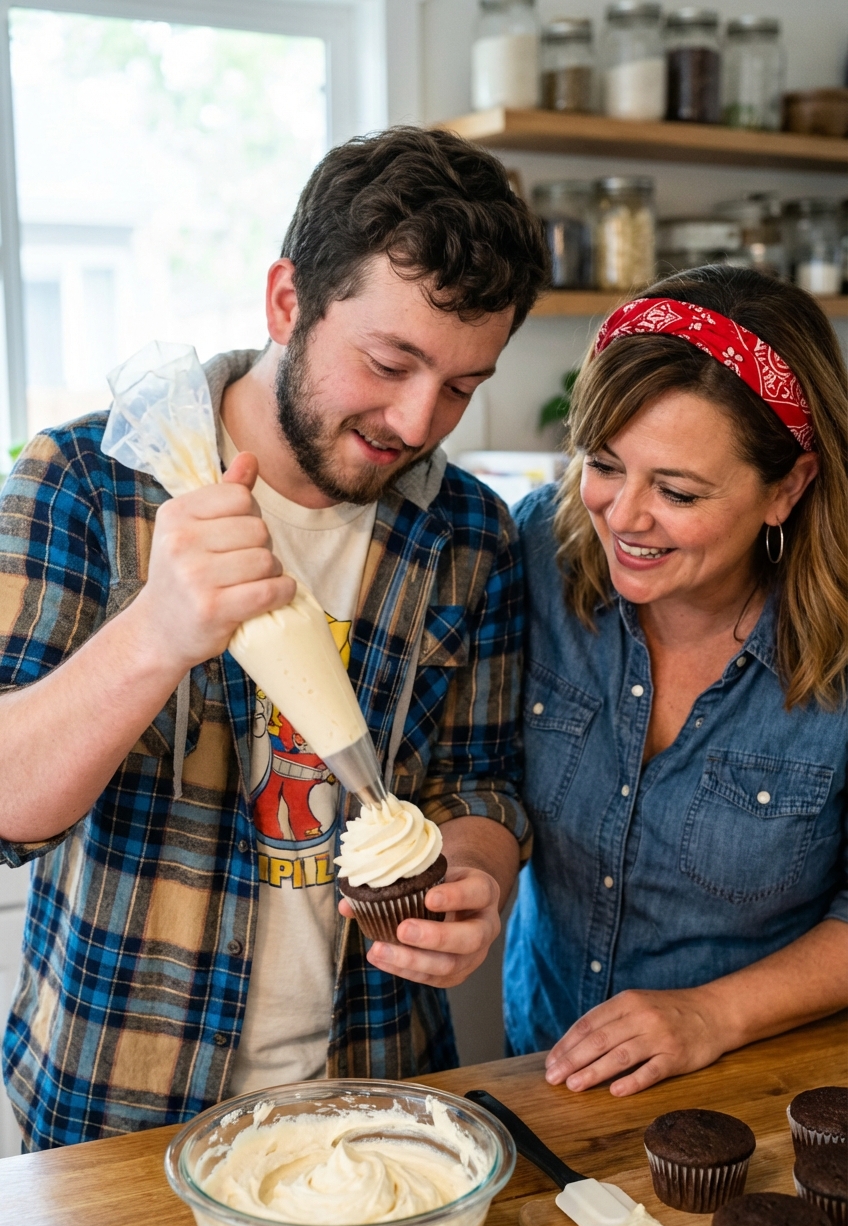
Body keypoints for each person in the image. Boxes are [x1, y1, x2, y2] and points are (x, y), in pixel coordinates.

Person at [0, 126, 548, 1149]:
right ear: (287, 301)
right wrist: (156, 631)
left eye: (463, 386)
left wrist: (477, 870)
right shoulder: (85, 480)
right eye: (390, 361)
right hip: (116, 1113)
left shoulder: (466, 532)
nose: (419, 420)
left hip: (379, 1100)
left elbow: (479, 784)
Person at [504, 266, 847, 1097]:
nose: (622, 515)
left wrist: (708, 1015)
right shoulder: (536, 564)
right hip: (544, 1069)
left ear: (788, 487)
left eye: (678, 491)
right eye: (605, 463)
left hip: (761, 1084)